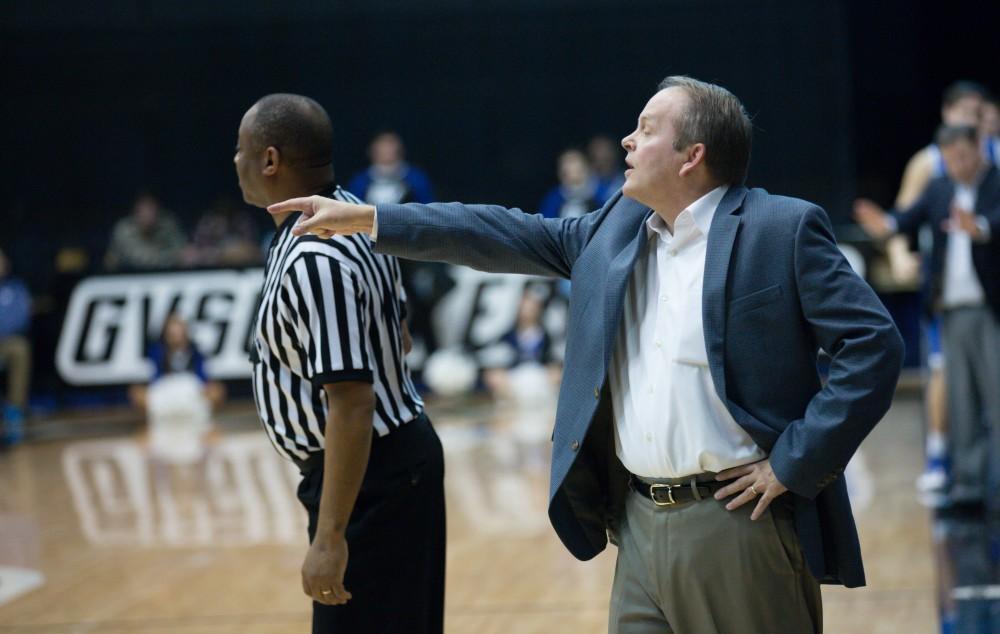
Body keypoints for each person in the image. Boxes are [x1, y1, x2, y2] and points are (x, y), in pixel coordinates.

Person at [270, 75, 904, 633]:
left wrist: (792, 464)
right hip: (636, 526)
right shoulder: (614, 229)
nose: (627, 141)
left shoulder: (781, 228)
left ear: (693, 156)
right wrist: (371, 220)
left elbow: (873, 347)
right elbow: (500, 230)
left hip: (737, 526)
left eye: (646, 129)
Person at [234, 94, 444, 633]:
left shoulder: (315, 257)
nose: (234, 161)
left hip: (369, 481)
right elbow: (399, 338)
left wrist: (331, 539)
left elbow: (352, 403)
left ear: (271, 160)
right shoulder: (352, 214)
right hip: (387, 469)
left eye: (242, 149)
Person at [855, 124, 1000, 509]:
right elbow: (905, 219)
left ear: (980, 150)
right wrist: (884, 225)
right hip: (949, 310)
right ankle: (968, 486)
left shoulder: (996, 183)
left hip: (990, 310)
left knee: (996, 396)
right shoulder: (938, 188)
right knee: (962, 400)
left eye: (964, 157)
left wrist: (981, 228)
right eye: (950, 158)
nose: (958, 165)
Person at [105, 193, 189, 271]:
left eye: (152, 209)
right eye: (144, 210)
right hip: (124, 278)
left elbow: (183, 251)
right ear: (135, 212)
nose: (149, 214)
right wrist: (174, 258)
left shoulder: (167, 224)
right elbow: (142, 261)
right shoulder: (123, 230)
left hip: (165, 275)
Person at [0, 247, 32, 445]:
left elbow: (21, 319)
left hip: (7, 342)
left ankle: (14, 410)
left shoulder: (16, 288)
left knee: (20, 348)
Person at [539, 149, 601, 219]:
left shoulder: (601, 194)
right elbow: (546, 224)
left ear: (586, 167)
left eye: (572, 162)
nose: (566, 167)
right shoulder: (553, 198)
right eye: (563, 164)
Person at [588, 134, 627, 204]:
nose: (601, 154)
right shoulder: (586, 179)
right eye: (598, 149)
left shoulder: (625, 179)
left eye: (605, 149)